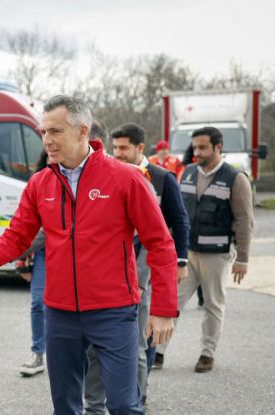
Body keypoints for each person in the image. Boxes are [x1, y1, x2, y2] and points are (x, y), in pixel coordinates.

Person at [0, 95, 178, 414]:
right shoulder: (39, 184)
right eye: (44, 132)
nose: (47, 140)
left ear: (81, 131)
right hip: (60, 313)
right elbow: (17, 236)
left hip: (113, 311)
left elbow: (160, 242)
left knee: (124, 405)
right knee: (65, 405)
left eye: (56, 131)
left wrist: (163, 308)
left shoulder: (126, 178)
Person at [83, 122, 190, 412]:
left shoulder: (161, 178)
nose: (117, 153)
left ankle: (137, 401)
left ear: (140, 148)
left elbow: (174, 225)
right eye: (114, 148)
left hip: (142, 273)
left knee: (139, 346)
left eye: (123, 148)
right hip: (109, 276)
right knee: (98, 347)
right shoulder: (106, 175)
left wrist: (180, 261)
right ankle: (96, 404)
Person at [155, 126, 254, 373]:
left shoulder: (235, 178)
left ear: (217, 147)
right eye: (195, 147)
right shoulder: (186, 173)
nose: (196, 152)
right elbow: (175, 213)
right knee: (172, 302)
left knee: (213, 305)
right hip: (186, 254)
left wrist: (242, 258)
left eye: (202, 147)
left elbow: (244, 220)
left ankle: (207, 354)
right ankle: (157, 352)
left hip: (216, 255)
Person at [17, 150, 49, 378]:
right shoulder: (37, 184)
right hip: (42, 254)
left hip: (72, 255)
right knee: (38, 303)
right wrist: (22, 262)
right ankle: (38, 353)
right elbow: (25, 226)